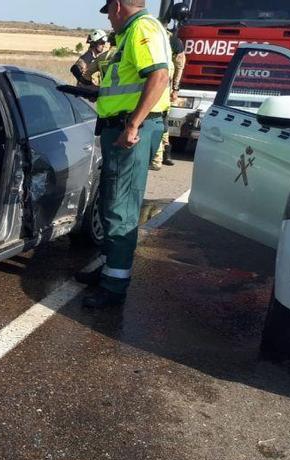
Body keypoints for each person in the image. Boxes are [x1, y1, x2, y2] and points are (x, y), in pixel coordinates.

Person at [78, 0, 173, 308]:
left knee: (121, 206)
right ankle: (108, 267)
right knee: (111, 198)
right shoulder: (131, 33)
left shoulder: (142, 29)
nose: (110, 21)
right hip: (119, 127)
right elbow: (128, 83)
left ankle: (114, 285)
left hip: (128, 131)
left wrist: (132, 124)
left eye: (109, 13)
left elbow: (158, 77)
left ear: (117, 6)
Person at [150, 31, 187, 170]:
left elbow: (179, 65)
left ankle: (161, 156)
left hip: (163, 90)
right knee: (162, 122)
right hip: (163, 89)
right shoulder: (161, 40)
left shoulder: (173, 43)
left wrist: (175, 89)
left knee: (160, 121)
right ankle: (164, 154)